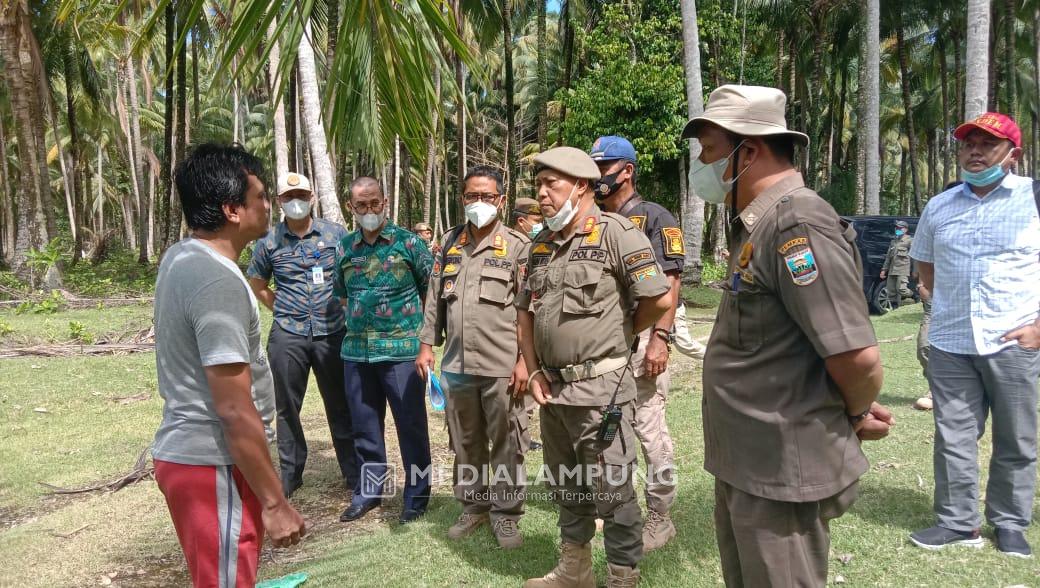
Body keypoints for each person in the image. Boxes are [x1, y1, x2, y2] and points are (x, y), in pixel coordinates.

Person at [683, 85, 892, 586]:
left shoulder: (797, 222)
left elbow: (857, 357)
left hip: (780, 468)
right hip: (749, 460)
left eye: (710, 153)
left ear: (747, 151)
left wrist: (858, 412)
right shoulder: (756, 225)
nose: (702, 166)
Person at [517, 146, 672, 587]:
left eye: (552, 184)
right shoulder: (541, 244)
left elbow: (657, 298)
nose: (542, 194)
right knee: (567, 485)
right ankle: (575, 569)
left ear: (581, 186)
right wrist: (533, 371)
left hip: (601, 388)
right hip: (554, 390)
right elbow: (525, 313)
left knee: (613, 489)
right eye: (539, 185)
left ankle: (623, 576)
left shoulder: (615, 233)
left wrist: (624, 332)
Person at [152, 143, 306, 587]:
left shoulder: (183, 257)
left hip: (197, 459)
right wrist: (275, 502)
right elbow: (234, 409)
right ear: (232, 209)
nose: (267, 206)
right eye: (259, 196)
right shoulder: (216, 280)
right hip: (212, 462)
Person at [908, 112, 1040, 558]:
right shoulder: (939, 206)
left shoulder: (1033, 199)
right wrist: (942, 302)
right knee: (954, 438)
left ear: (1013, 155)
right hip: (951, 344)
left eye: (987, 143)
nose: (975, 151)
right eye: (968, 143)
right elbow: (925, 265)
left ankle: (1009, 522)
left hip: (1013, 344)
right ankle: (957, 521)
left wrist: (1038, 330)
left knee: (1016, 437)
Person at [416, 165, 531, 549]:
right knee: (465, 441)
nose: (478, 203)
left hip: (502, 365)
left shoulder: (517, 246)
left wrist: (524, 361)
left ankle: (506, 515)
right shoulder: (450, 243)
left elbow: (528, 308)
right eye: (471, 196)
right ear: (462, 199)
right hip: (458, 365)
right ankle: (474, 507)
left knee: (507, 441)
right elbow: (434, 300)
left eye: (486, 196)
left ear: (501, 200)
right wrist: (426, 346)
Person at [588, 135, 682, 552]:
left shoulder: (655, 217)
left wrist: (660, 339)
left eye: (603, 168)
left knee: (648, 428)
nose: (597, 177)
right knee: (607, 430)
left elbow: (670, 283)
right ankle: (612, 508)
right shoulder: (592, 219)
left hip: (643, 339)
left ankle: (660, 516)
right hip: (605, 343)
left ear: (626, 171)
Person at [246, 172, 357, 498]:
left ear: (312, 198)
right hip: (289, 335)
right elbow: (258, 285)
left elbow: (352, 274)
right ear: (280, 202)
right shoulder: (269, 242)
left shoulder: (336, 235)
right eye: (288, 196)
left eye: (301, 194)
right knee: (286, 408)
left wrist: (345, 306)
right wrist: (281, 308)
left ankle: (353, 474)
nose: (296, 201)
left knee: (340, 405)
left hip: (332, 332)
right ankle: (291, 475)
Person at [333, 177, 435, 525]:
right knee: (364, 429)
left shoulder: (409, 243)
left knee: (411, 427)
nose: (369, 211)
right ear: (351, 208)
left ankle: (417, 496)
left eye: (374, 203)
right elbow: (342, 293)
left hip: (403, 353)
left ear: (385, 202)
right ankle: (370, 492)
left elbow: (429, 292)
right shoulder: (344, 247)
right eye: (361, 205)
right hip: (357, 354)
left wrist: (423, 341)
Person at [880, 220, 914, 309]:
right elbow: (888, 257)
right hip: (892, 270)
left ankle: (915, 295)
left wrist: (915, 271)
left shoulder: (910, 241)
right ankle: (895, 308)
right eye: (896, 228)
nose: (897, 229)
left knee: (902, 289)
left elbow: (914, 258)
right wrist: (884, 270)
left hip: (903, 269)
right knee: (891, 292)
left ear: (905, 229)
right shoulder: (894, 241)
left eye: (899, 228)